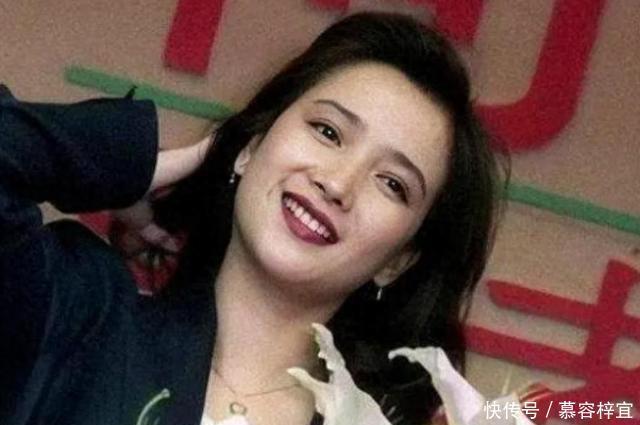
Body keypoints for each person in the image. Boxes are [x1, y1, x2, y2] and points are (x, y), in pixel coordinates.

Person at [0, 11, 502, 425]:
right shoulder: (83, 313)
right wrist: (139, 161)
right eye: (327, 131)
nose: (337, 184)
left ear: (399, 260)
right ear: (252, 147)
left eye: (392, 183)